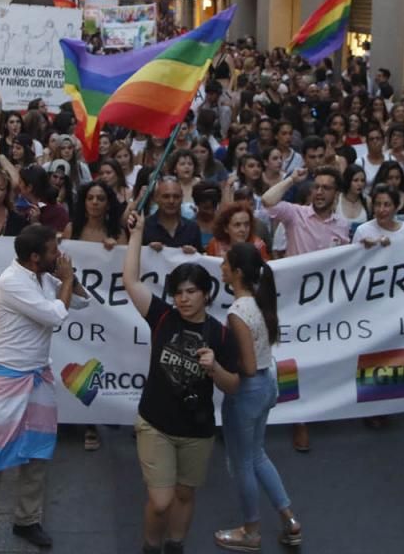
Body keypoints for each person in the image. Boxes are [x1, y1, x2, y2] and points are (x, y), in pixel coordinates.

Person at [0, 225, 89, 554]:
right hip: (6, 379)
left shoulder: (44, 276)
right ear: (34, 258)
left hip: (37, 376)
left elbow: (82, 304)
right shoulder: (12, 283)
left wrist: (71, 278)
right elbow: (56, 315)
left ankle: (27, 519)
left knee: (38, 449)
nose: (57, 255)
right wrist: (67, 281)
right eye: (51, 250)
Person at [122, 211, 239, 554]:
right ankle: (150, 546)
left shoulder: (220, 333)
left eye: (191, 292)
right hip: (155, 424)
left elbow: (232, 386)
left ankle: (175, 546)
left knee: (185, 495)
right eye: (178, 293)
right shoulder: (162, 317)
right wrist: (137, 234)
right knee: (161, 500)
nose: (183, 299)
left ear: (206, 294)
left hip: (196, 430)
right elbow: (130, 280)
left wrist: (215, 368)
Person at [213, 243, 301, 551]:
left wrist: (219, 364)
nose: (221, 267)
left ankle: (250, 530)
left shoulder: (238, 312)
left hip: (248, 392)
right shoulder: (261, 303)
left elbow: (246, 366)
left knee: (241, 463)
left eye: (225, 264)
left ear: (237, 272)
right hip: (267, 385)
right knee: (258, 455)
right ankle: (289, 518)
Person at [262, 166, 350, 452]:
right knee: (292, 359)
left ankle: (317, 406)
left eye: (327, 188)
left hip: (326, 304)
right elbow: (267, 201)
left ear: (336, 193)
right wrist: (290, 179)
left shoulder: (343, 225)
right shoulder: (295, 214)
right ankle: (298, 419)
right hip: (292, 301)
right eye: (317, 187)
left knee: (320, 355)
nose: (320, 192)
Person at [143, 178, 202, 253]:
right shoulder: (143, 227)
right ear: (156, 198)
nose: (171, 201)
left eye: (176, 197)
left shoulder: (193, 228)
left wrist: (194, 253)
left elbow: (201, 259)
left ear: (182, 199)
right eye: (166, 196)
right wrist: (147, 251)